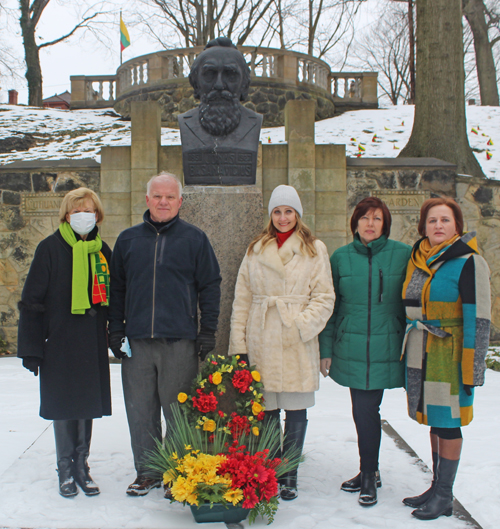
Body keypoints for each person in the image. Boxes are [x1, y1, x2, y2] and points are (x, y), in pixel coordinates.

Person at [108, 172, 221, 496]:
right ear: (147, 200)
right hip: (136, 343)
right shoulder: (128, 240)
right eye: (157, 196)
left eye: (170, 197)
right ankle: (147, 472)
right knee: (140, 410)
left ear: (180, 201)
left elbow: (210, 285)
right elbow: (117, 290)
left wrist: (207, 330)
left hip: (180, 341)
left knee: (179, 412)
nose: (163, 202)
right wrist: (116, 332)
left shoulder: (195, 239)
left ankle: (176, 474)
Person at [228, 184, 335, 501]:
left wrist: (299, 326)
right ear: (270, 214)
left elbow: (325, 298)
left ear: (298, 214)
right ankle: (270, 471)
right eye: (277, 211)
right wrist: (240, 345)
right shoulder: (256, 249)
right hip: (262, 337)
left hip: (296, 341)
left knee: (297, 409)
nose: (283, 217)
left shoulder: (315, 249)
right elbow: (241, 301)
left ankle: (290, 474)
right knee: (268, 409)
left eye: (289, 211)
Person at [17, 187, 112, 498]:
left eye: (88, 210)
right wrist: (31, 349)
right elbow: (32, 301)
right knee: (62, 406)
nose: (82, 216)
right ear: (65, 216)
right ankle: (65, 469)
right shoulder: (49, 248)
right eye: (75, 211)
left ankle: (82, 466)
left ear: (97, 215)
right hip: (57, 341)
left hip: (91, 341)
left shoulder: (102, 251)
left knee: (86, 405)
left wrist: (118, 335)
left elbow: (114, 298)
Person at [401, 197, 491, 520]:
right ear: (423, 226)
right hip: (420, 352)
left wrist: (472, 368)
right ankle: (436, 485)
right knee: (435, 420)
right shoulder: (419, 260)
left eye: (445, 220)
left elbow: (478, 319)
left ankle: (444, 495)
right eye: (432, 220)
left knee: (449, 423)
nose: (438, 225)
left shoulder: (468, 262)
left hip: (450, 356)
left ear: (457, 226)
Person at [319, 196, 411, 507]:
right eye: (364, 218)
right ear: (355, 222)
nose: (370, 224)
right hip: (353, 345)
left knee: (367, 412)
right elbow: (332, 307)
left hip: (388, 344)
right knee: (364, 412)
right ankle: (369, 470)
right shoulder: (341, 258)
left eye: (377, 219)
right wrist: (326, 347)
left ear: (385, 224)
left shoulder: (403, 255)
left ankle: (368, 474)